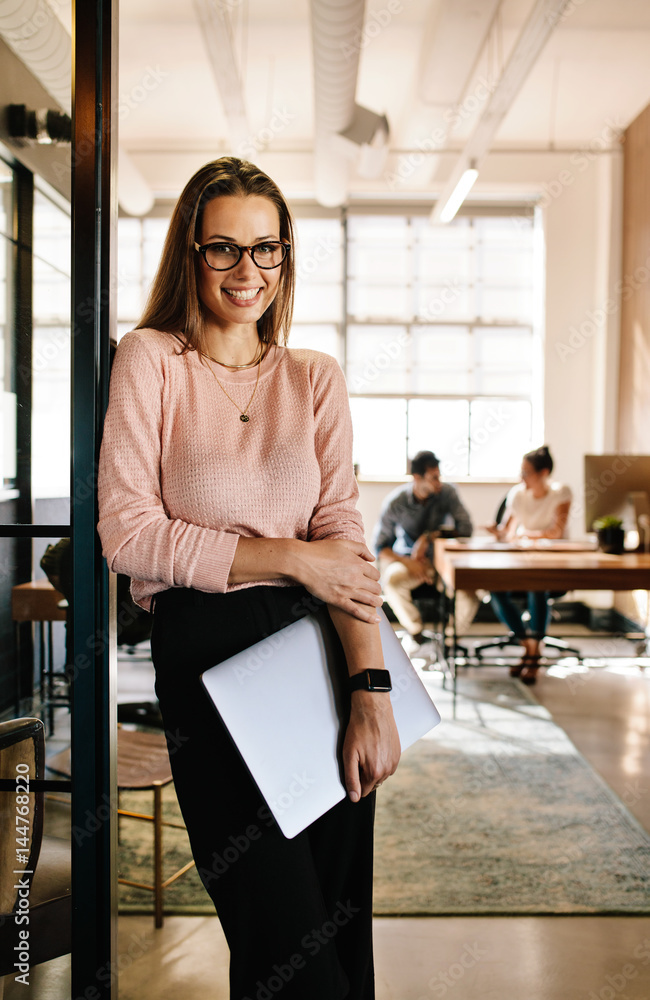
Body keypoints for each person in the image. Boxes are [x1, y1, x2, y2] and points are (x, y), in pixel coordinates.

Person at [97, 157, 400, 1000]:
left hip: (321, 658)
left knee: (338, 934)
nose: (246, 272)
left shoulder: (314, 379)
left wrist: (371, 692)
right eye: (224, 248)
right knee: (283, 943)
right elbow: (129, 533)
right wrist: (291, 556)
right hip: (209, 660)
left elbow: (345, 538)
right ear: (189, 253)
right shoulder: (152, 361)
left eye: (266, 250)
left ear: (285, 256)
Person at [486, 444, 572, 684]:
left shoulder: (561, 492)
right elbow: (507, 532)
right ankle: (530, 648)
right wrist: (498, 533)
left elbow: (556, 531)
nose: (521, 477)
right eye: (521, 472)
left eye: (526, 473)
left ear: (543, 473)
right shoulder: (517, 494)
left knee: (538, 587)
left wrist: (523, 536)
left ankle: (532, 657)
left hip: (551, 564)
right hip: (521, 561)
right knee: (496, 590)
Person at [373, 451, 474, 647]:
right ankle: (416, 632)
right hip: (409, 562)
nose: (439, 482)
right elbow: (379, 547)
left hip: (442, 563)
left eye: (440, 476)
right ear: (417, 478)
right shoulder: (396, 502)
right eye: (434, 477)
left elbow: (466, 529)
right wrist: (409, 564)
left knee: (470, 594)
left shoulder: (447, 494)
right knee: (392, 582)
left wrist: (429, 536)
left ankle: (449, 639)